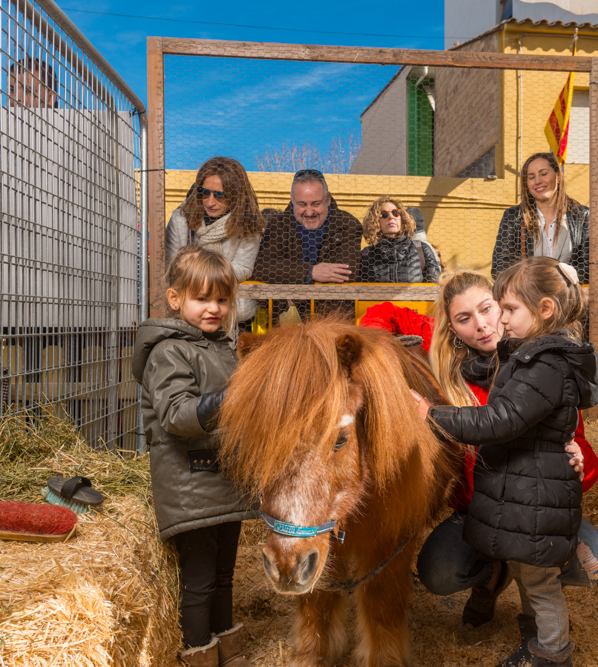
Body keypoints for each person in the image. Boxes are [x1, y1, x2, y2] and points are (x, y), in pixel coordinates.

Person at [360, 272, 598, 640]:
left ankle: (542, 623)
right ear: (452, 328)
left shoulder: (538, 364)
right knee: (439, 571)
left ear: (504, 307)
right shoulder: (446, 359)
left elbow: (575, 439)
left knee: (590, 562)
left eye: (488, 309)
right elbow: (385, 312)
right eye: (464, 319)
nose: (481, 325)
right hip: (475, 508)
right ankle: (490, 579)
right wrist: (372, 355)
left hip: (530, 505)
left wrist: (580, 461)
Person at [132, 246, 253, 667]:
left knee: (224, 576)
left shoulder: (221, 347)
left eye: (222, 299)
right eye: (202, 298)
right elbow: (177, 415)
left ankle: (227, 651)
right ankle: (199, 653)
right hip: (191, 483)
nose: (214, 308)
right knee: (200, 581)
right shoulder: (169, 352)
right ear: (175, 298)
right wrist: (233, 397)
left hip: (225, 481)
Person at [166, 157, 266, 325]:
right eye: (204, 193)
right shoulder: (180, 219)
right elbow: (172, 267)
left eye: (220, 196)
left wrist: (199, 271)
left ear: (236, 196)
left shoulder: (248, 223)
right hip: (189, 310)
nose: (210, 202)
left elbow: (244, 268)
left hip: (233, 310)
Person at [253, 169, 362, 322]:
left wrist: (295, 294)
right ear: (292, 200)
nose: (309, 212)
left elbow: (345, 275)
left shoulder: (348, 224)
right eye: (302, 204)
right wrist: (310, 272)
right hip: (284, 321)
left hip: (331, 319)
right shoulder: (277, 223)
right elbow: (262, 268)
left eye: (316, 204)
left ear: (328, 199)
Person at [492, 152, 590, 282]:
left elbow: (591, 267)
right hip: (529, 292)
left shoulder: (582, 215)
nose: (537, 181)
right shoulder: (513, 216)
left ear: (558, 176)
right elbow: (499, 268)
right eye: (531, 177)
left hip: (569, 292)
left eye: (543, 174)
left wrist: (556, 279)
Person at [358, 196, 441, 283]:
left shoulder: (421, 250)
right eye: (384, 214)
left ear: (402, 218)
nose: (391, 217)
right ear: (376, 221)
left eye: (395, 212)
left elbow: (435, 288)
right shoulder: (366, 255)